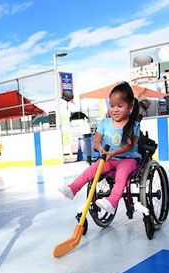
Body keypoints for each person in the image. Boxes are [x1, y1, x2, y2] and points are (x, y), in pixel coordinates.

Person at [59, 82, 141, 214]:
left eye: (120, 106)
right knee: (91, 170)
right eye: (112, 105)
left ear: (130, 106)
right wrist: (100, 149)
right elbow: (96, 141)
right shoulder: (105, 122)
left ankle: (112, 202)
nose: (115, 109)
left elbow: (129, 146)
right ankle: (72, 188)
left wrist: (113, 152)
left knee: (121, 175)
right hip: (108, 157)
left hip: (128, 159)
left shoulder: (133, 124)